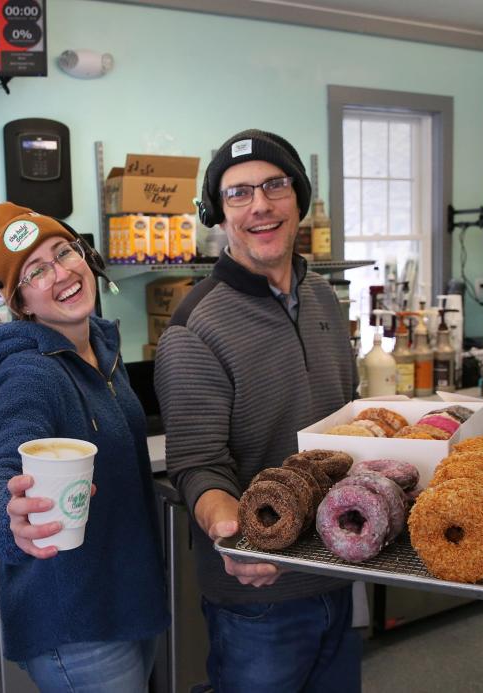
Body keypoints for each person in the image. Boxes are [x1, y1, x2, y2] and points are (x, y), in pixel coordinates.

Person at [154, 130, 360, 692]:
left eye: (275, 185)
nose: (261, 205)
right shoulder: (196, 328)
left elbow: (349, 422)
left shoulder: (323, 297)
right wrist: (231, 530)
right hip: (260, 601)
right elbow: (198, 466)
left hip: (339, 568)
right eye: (239, 193)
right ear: (218, 214)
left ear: (299, 199)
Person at [0, 203, 169, 692]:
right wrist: (7, 514)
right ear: (21, 303)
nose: (62, 273)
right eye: (36, 271)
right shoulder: (27, 372)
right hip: (75, 619)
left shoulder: (100, 347)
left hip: (124, 597)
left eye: (64, 252)